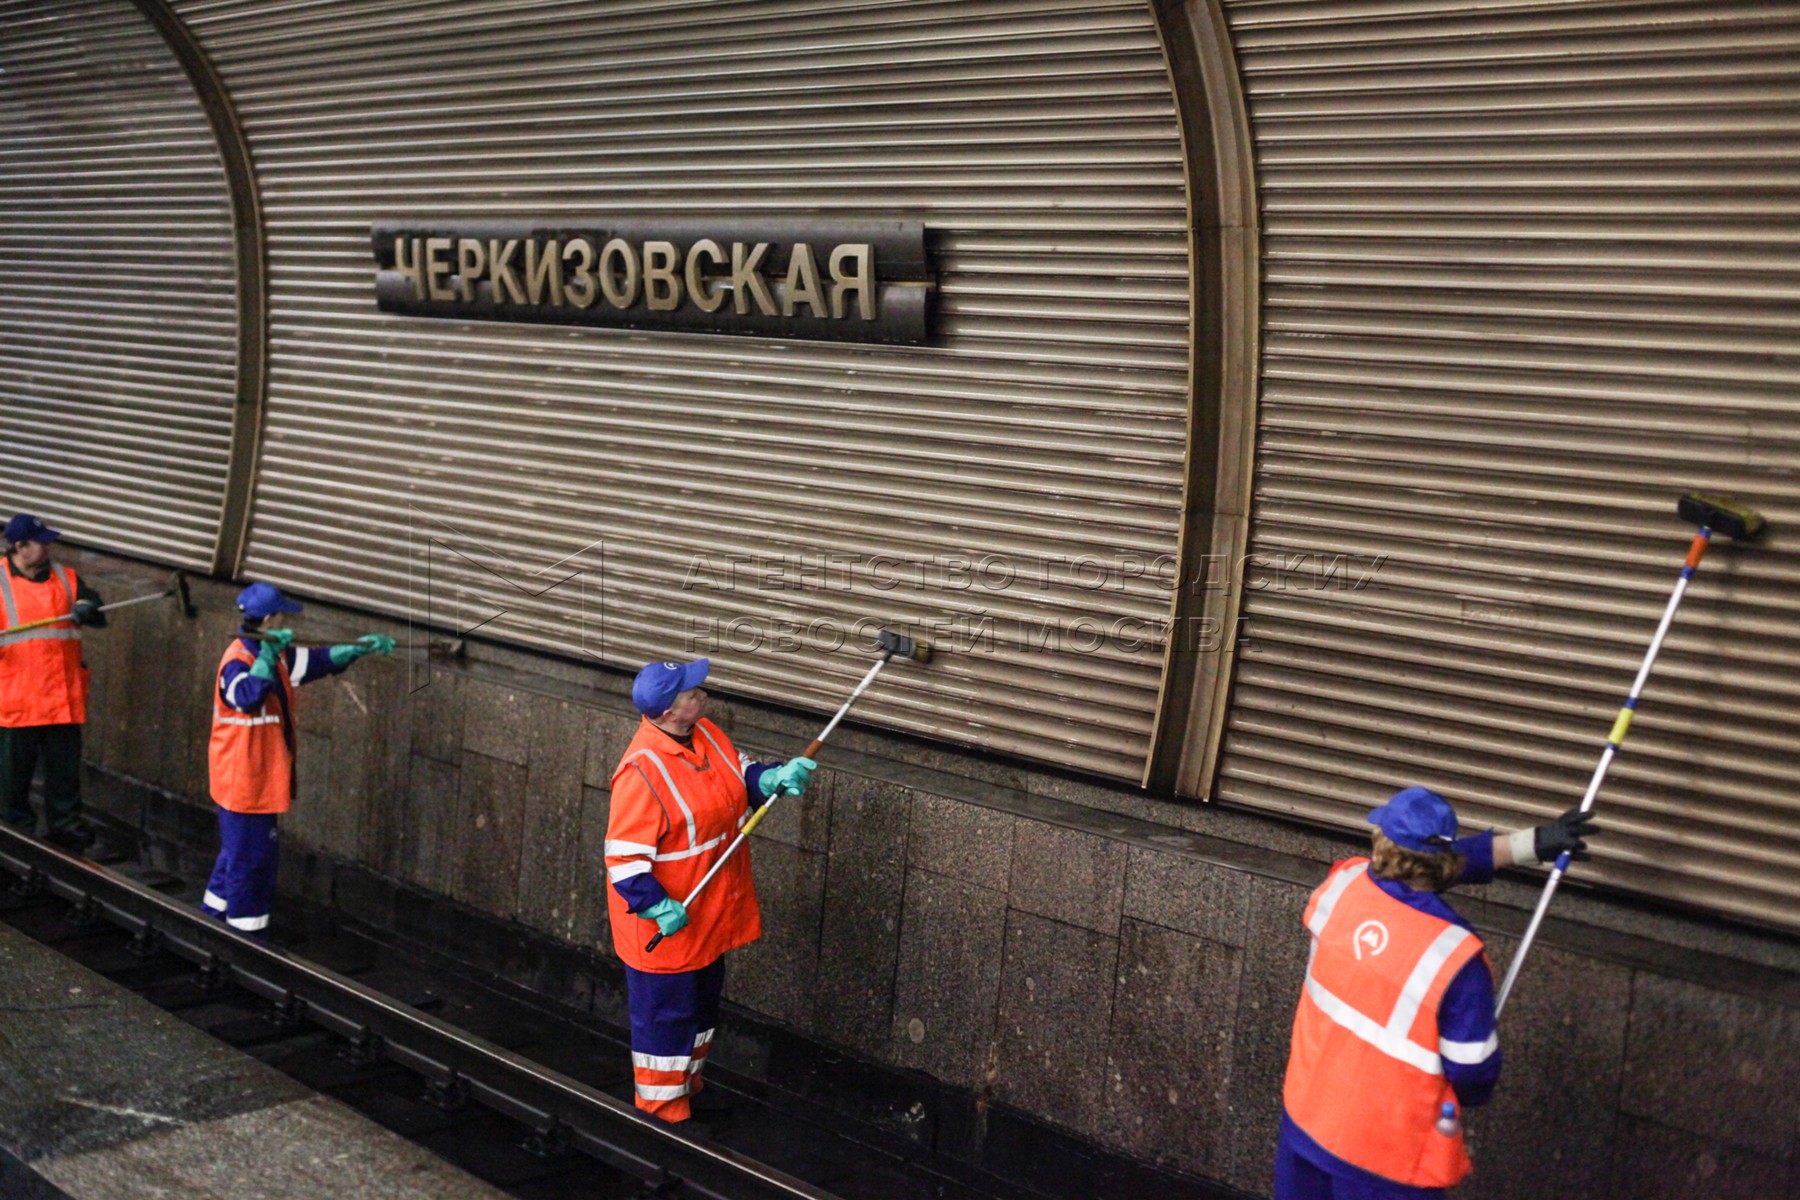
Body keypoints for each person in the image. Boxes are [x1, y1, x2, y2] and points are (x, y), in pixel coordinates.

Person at [1277, 786, 1597, 1200]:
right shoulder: (1455, 958)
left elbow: (1413, 868)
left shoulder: (1343, 885)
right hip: (1388, 1159)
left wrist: (1530, 844)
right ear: (1444, 860)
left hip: (1307, 1122)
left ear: (1381, 840)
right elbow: (1472, 1074)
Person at [604, 657, 816, 1124]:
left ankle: (688, 1090)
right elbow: (624, 860)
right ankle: (662, 1115)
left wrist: (770, 779)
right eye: (690, 692)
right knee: (665, 1023)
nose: (702, 693)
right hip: (668, 928)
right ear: (667, 713)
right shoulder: (641, 772)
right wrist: (657, 906)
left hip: (708, 914)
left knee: (700, 1013)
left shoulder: (707, 734)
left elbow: (736, 774)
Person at [204, 581, 394, 934]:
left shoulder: (274, 655)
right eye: (281, 616)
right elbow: (245, 697)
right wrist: (266, 656)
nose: (286, 623)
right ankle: (244, 937)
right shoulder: (240, 658)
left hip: (251, 777)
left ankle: (210, 920)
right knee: (253, 861)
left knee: (236, 853)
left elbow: (316, 662)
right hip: (244, 781)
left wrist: (357, 649)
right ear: (269, 620)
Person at [0, 514, 106, 851]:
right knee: (12, 778)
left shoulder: (66, 577)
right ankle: (15, 832)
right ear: (20, 547)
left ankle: (65, 826)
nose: (49, 548)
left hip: (62, 699)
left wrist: (88, 607)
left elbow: (93, 605)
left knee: (64, 774)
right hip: (18, 702)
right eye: (41, 543)